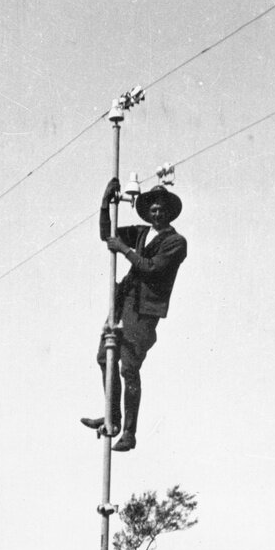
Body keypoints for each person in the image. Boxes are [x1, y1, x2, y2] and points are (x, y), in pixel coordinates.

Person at [81, 176, 187, 452]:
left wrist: (124, 250)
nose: (157, 212)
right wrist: (105, 203)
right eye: (152, 207)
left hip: (144, 310)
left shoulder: (175, 242)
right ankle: (112, 417)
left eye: (161, 208)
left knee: (128, 367)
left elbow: (152, 268)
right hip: (122, 301)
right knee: (104, 358)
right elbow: (109, 236)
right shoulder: (141, 233)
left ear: (169, 211)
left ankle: (129, 432)